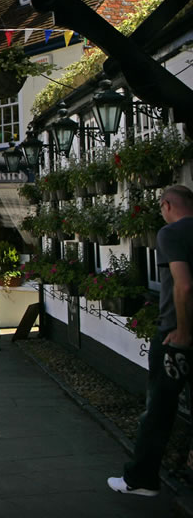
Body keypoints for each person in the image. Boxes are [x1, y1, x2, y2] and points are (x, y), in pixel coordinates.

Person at [110, 184, 193, 498]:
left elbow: (184, 287)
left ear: (167, 205)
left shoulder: (171, 233)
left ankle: (142, 479)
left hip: (176, 336)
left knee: (158, 410)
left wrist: (183, 333)